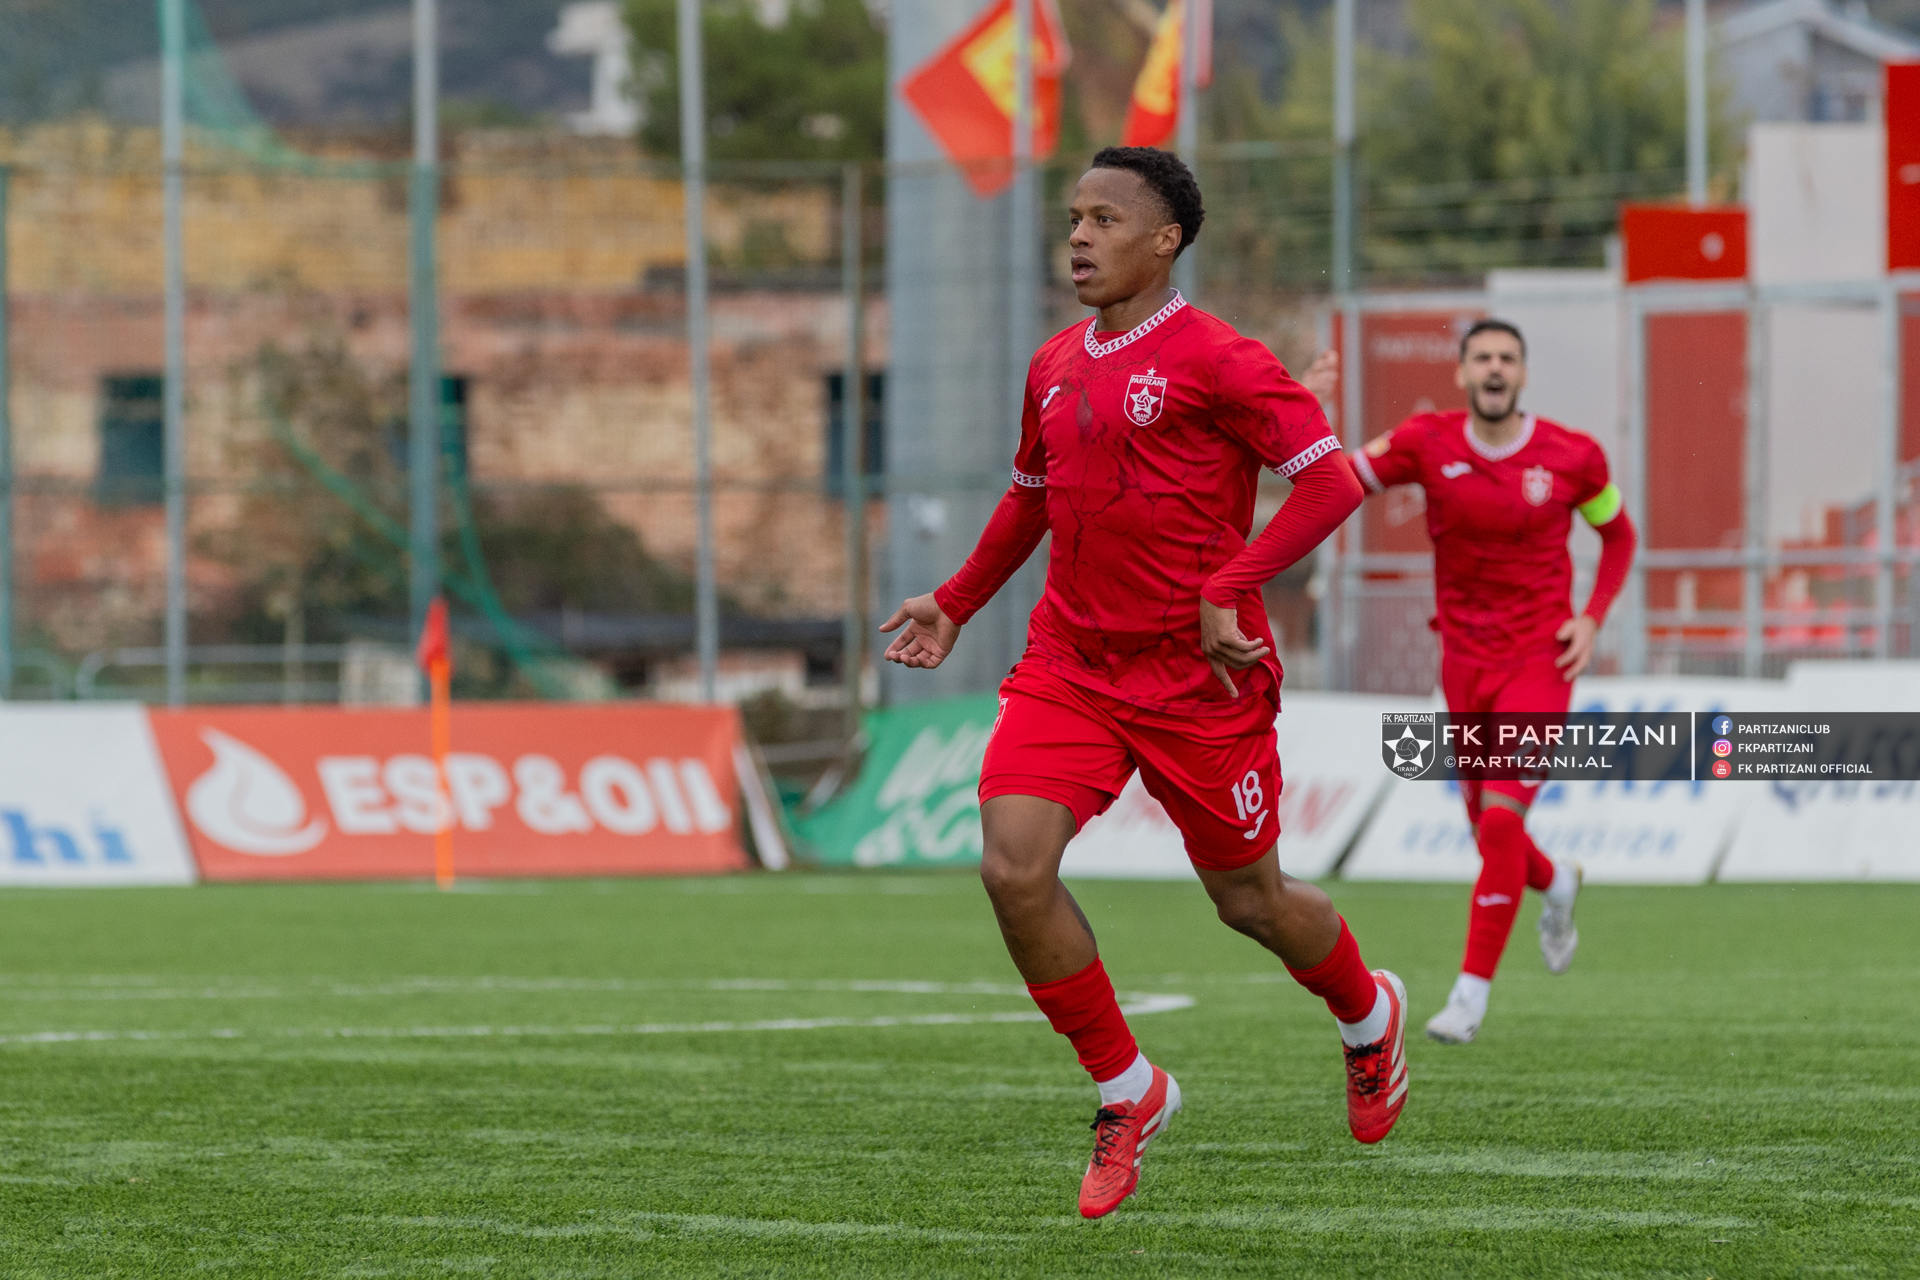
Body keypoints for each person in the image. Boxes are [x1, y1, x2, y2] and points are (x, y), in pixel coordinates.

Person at [879, 147, 1408, 1221]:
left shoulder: (1221, 357)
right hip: (1071, 664)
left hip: (1198, 678)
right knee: (1012, 868)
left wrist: (1231, 584)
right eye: (1074, 216)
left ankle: (1368, 1013)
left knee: (1249, 901)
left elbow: (1329, 483)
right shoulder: (1052, 363)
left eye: (1105, 219)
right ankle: (1130, 1089)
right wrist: (957, 601)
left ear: (1165, 241)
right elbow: (1031, 496)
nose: (1078, 236)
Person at [1297, 322, 1637, 1044]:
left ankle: (1469, 997)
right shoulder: (1426, 441)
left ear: (1523, 374)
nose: (1494, 368)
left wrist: (1593, 618)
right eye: (1482, 358)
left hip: (1540, 662)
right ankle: (1559, 883)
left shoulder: (1573, 457)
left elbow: (1619, 534)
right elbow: (1339, 479)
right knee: (1488, 832)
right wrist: (1302, 415)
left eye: (1507, 358)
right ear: (1461, 374)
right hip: (1463, 663)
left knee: (1503, 823)